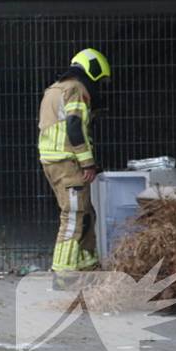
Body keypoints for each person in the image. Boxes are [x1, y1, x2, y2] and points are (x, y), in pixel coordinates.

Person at [38, 48, 111, 287]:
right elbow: (74, 127)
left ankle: (89, 266)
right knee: (74, 216)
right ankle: (63, 275)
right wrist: (88, 163)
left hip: (55, 161)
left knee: (86, 213)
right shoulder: (76, 89)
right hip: (68, 162)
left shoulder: (54, 89)